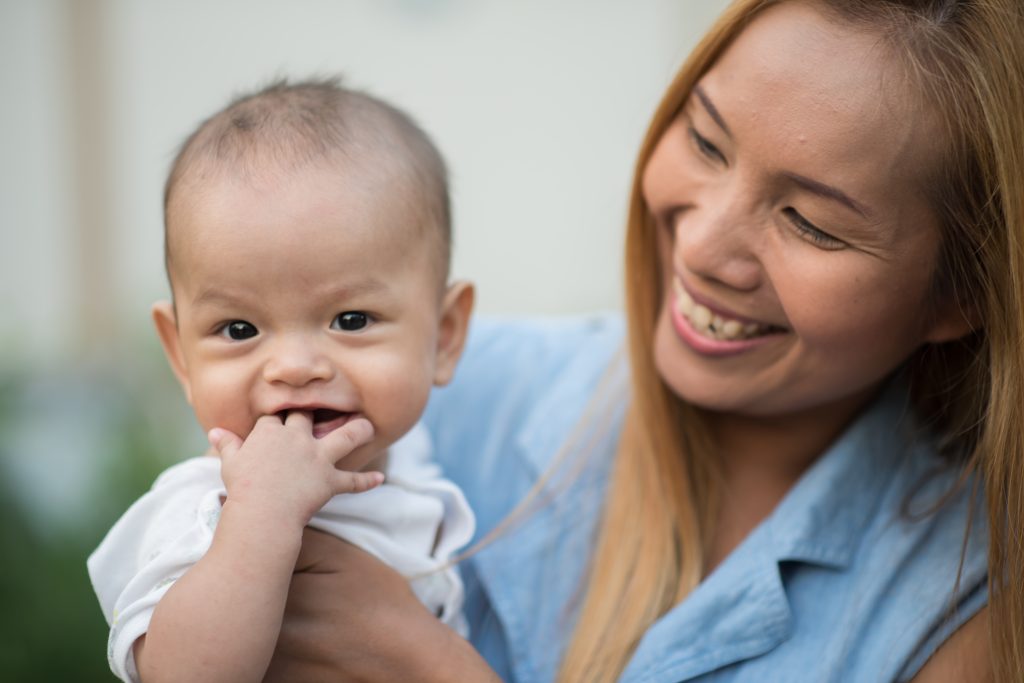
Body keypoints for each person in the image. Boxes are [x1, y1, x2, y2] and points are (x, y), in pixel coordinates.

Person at [262, 0, 1024, 681]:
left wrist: (424, 662)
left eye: (810, 223)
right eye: (705, 141)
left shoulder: (965, 615)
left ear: (957, 297)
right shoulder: (430, 396)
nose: (700, 244)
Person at [86, 79, 477, 683]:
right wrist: (259, 520)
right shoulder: (202, 514)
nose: (294, 367)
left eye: (351, 320)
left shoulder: (414, 466)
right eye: (239, 328)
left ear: (444, 336)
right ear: (182, 356)